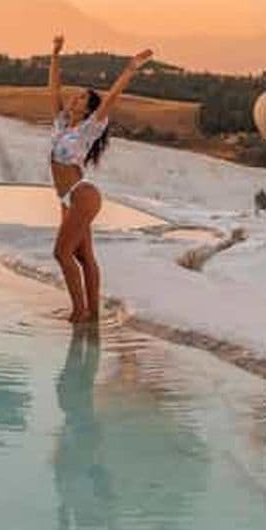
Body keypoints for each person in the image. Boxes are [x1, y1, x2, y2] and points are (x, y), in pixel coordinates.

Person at [48, 35, 152, 323]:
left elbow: (111, 99)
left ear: (89, 108)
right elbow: (53, 88)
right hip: (66, 197)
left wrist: (130, 69)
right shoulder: (62, 123)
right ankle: (92, 313)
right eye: (77, 94)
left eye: (82, 97)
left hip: (82, 194)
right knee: (82, 256)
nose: (75, 97)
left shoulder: (90, 127)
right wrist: (55, 54)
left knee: (61, 253)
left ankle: (79, 311)